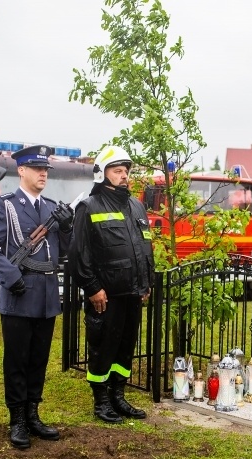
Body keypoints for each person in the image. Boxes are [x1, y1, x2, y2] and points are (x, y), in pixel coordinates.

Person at [0, 145, 74, 449]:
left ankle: (33, 415)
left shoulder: (51, 208)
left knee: (38, 360)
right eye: (36, 168)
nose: (43, 173)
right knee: (17, 361)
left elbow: (64, 253)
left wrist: (68, 226)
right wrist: (11, 277)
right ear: (21, 170)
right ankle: (17, 419)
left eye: (46, 169)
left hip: (45, 296)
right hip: (18, 295)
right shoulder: (4, 206)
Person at [70, 145, 154, 424]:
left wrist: (145, 284)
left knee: (125, 347)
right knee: (103, 348)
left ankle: (118, 396)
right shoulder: (88, 207)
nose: (124, 176)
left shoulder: (136, 205)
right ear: (101, 174)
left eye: (126, 171)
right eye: (117, 171)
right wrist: (93, 288)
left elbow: (144, 248)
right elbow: (78, 255)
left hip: (132, 293)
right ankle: (101, 401)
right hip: (105, 296)